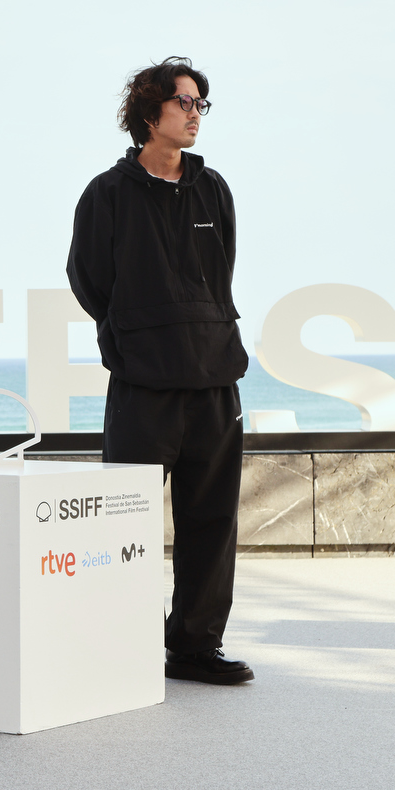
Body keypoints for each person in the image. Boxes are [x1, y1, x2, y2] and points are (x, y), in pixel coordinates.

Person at [66, 56, 255, 685]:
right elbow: (89, 279)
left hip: (215, 379)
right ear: (151, 112)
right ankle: (120, 644)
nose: (196, 114)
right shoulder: (108, 193)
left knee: (212, 521)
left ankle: (195, 647)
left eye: (202, 104)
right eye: (185, 102)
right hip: (144, 386)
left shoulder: (213, 189)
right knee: (124, 521)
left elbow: (221, 271)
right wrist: (135, 334)